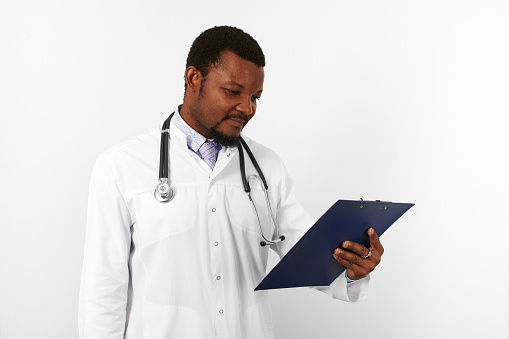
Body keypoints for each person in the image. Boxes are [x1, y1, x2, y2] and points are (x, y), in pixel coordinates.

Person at [78, 25, 384, 339]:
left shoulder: (267, 168)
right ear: (194, 79)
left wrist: (351, 268)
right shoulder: (120, 167)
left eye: (255, 97)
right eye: (233, 91)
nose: (247, 108)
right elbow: (103, 291)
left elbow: (310, 258)